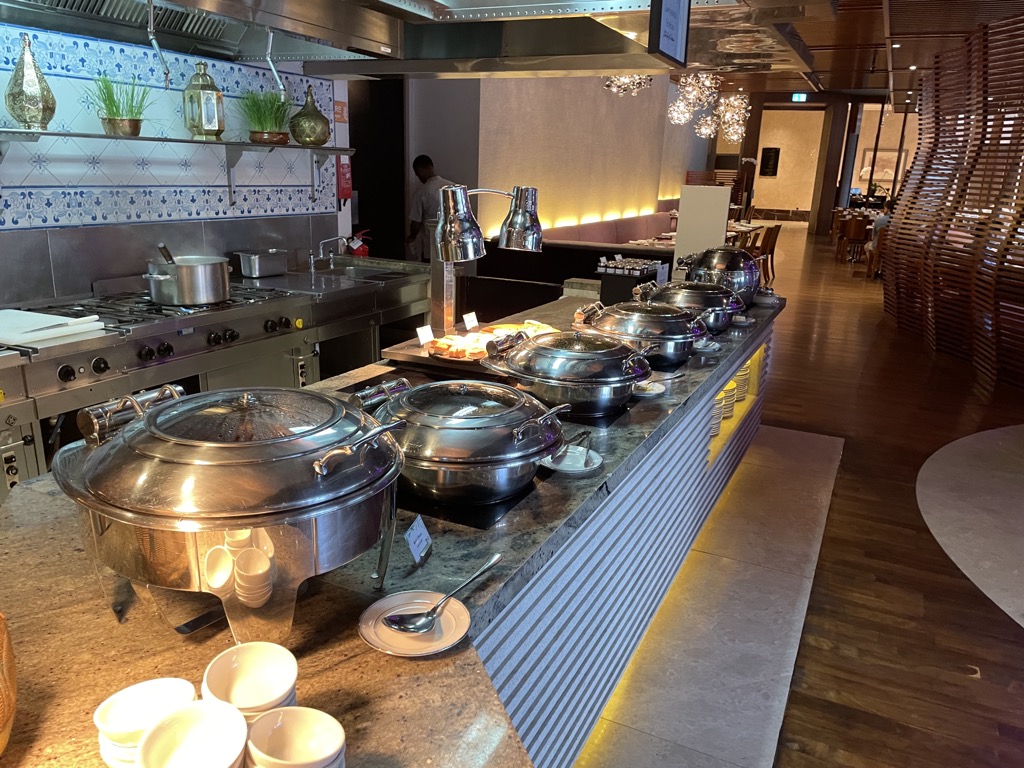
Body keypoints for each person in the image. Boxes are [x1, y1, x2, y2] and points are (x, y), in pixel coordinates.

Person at [407, 155, 452, 262]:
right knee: (450, 272)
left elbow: (416, 223)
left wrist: (411, 237)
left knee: (431, 272)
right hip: (452, 247)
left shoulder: (421, 192)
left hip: (431, 247)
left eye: (418, 175)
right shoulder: (452, 187)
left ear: (421, 172)